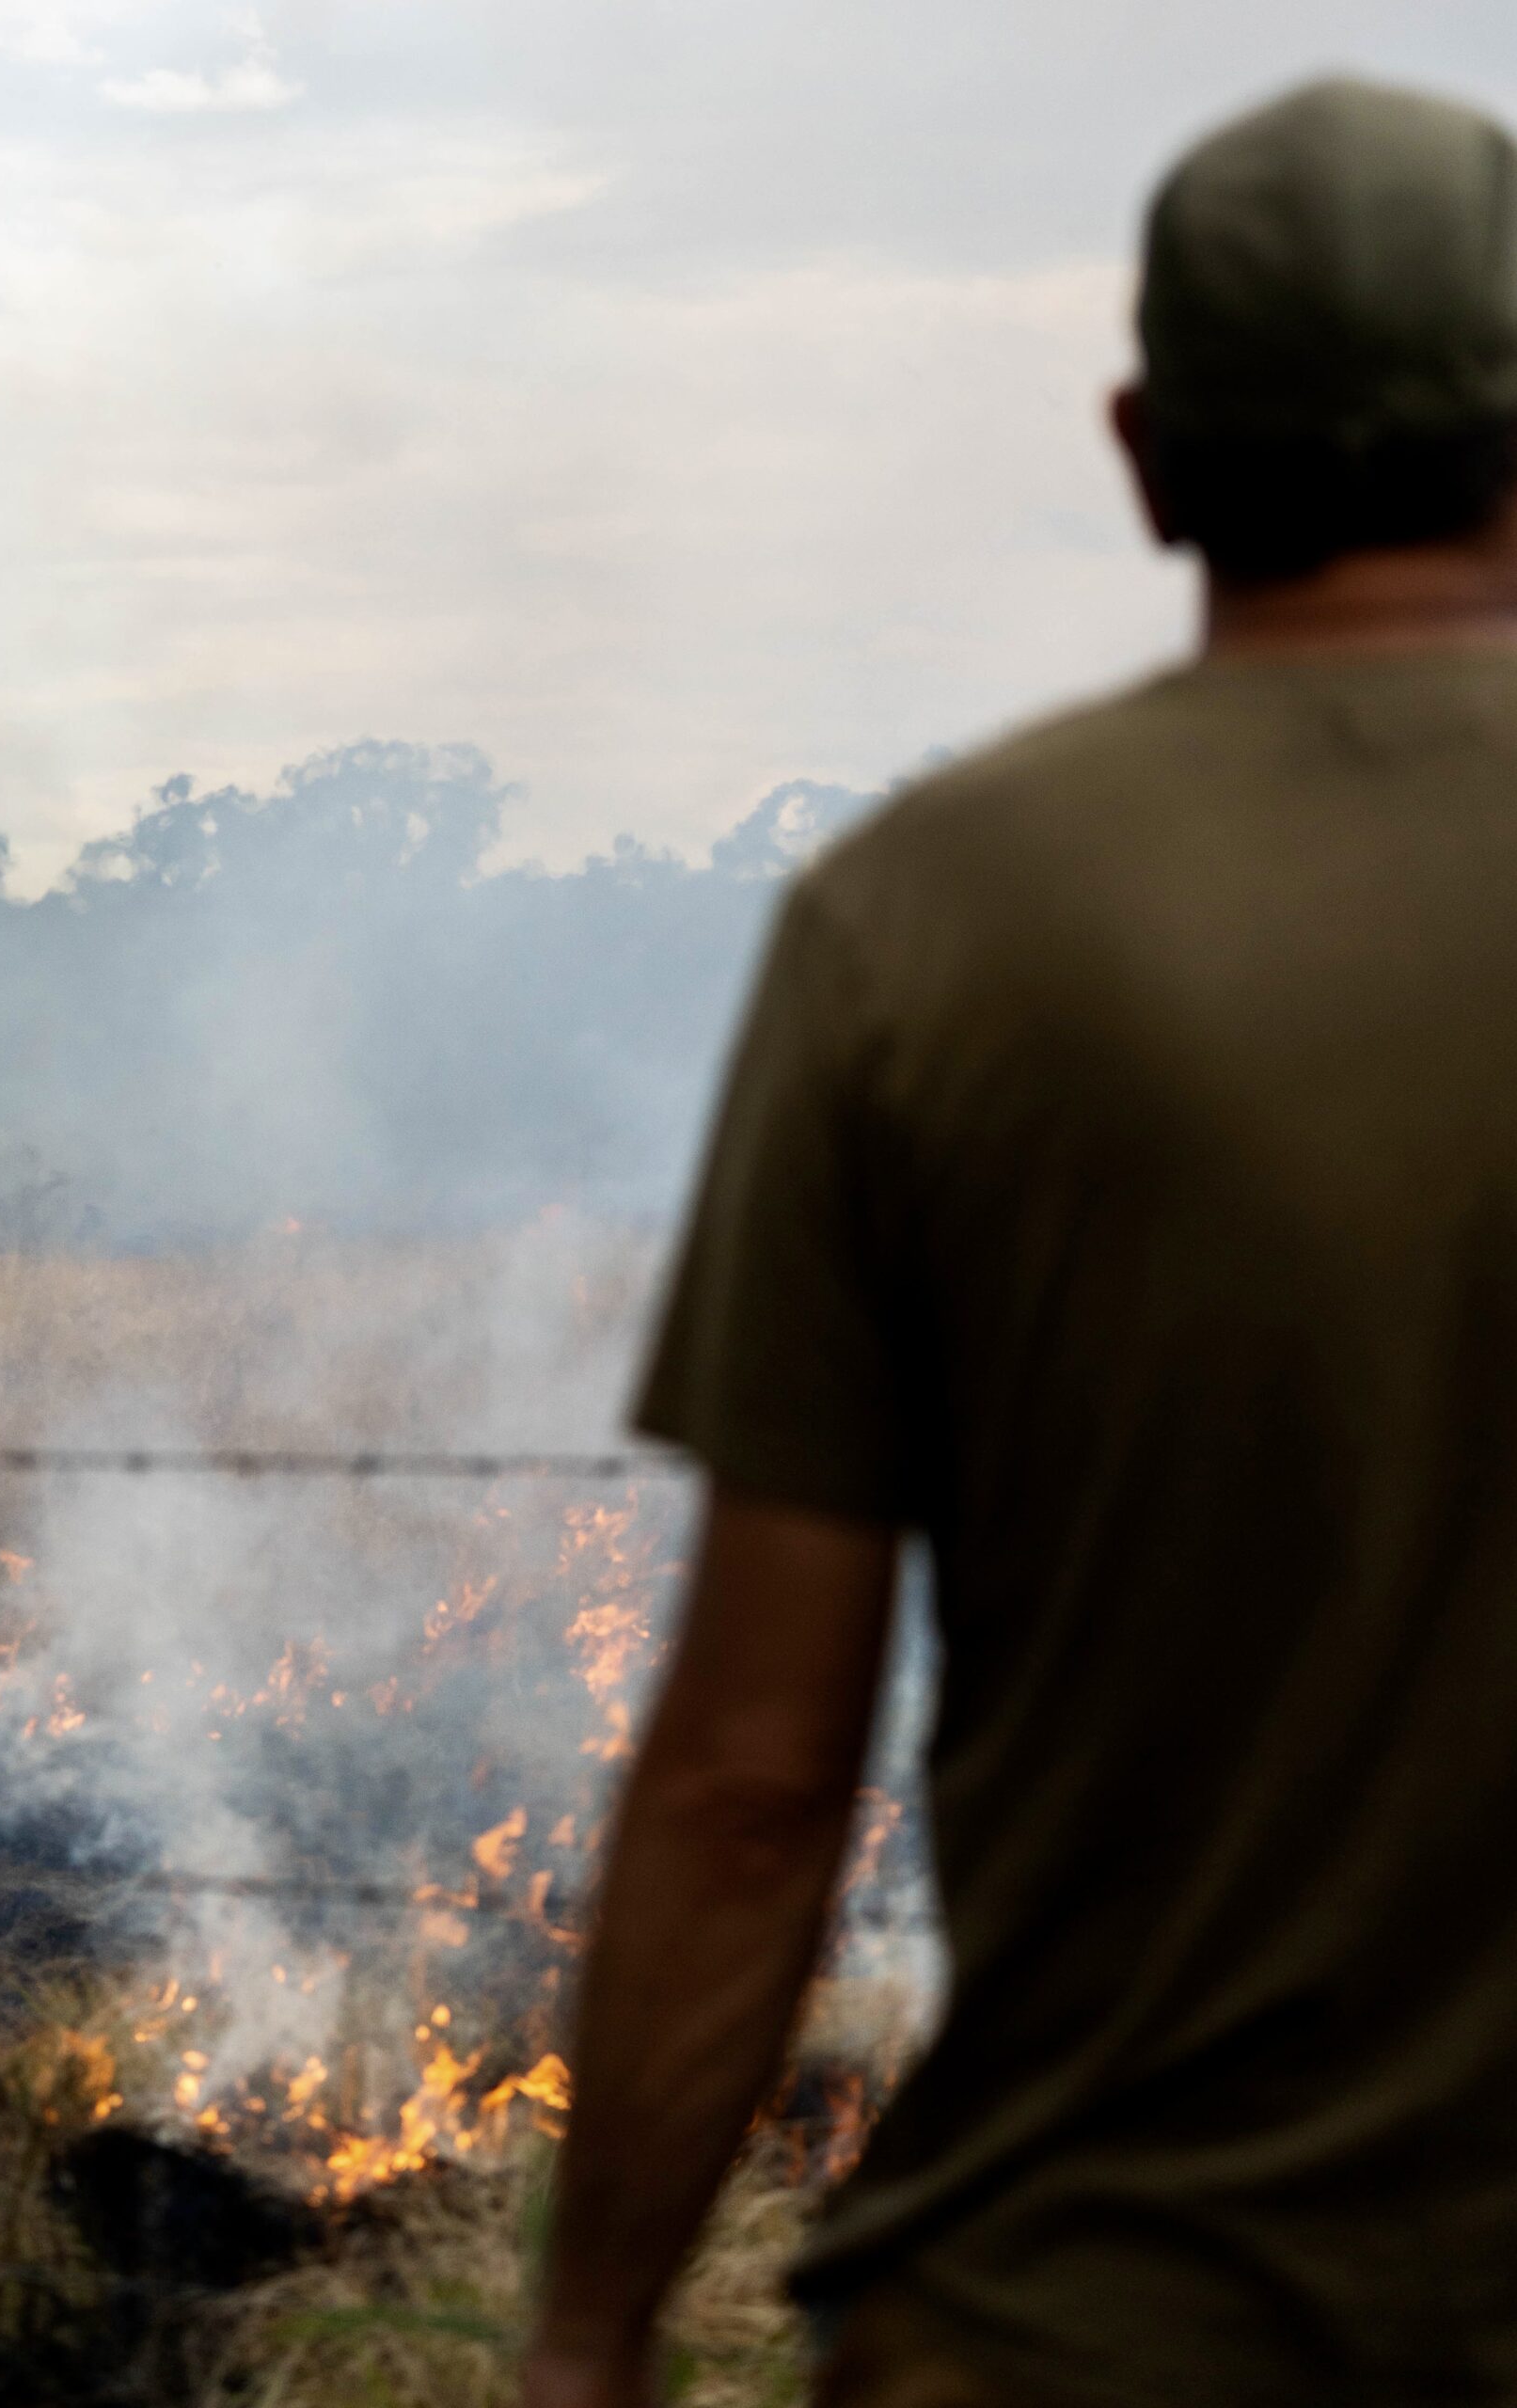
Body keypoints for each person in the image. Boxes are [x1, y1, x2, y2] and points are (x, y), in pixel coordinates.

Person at [525, 75, 1517, 2408]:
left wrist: (583, 2332)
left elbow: (760, 1772)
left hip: (1086, 2327)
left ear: (1147, 447)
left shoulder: (924, 920)